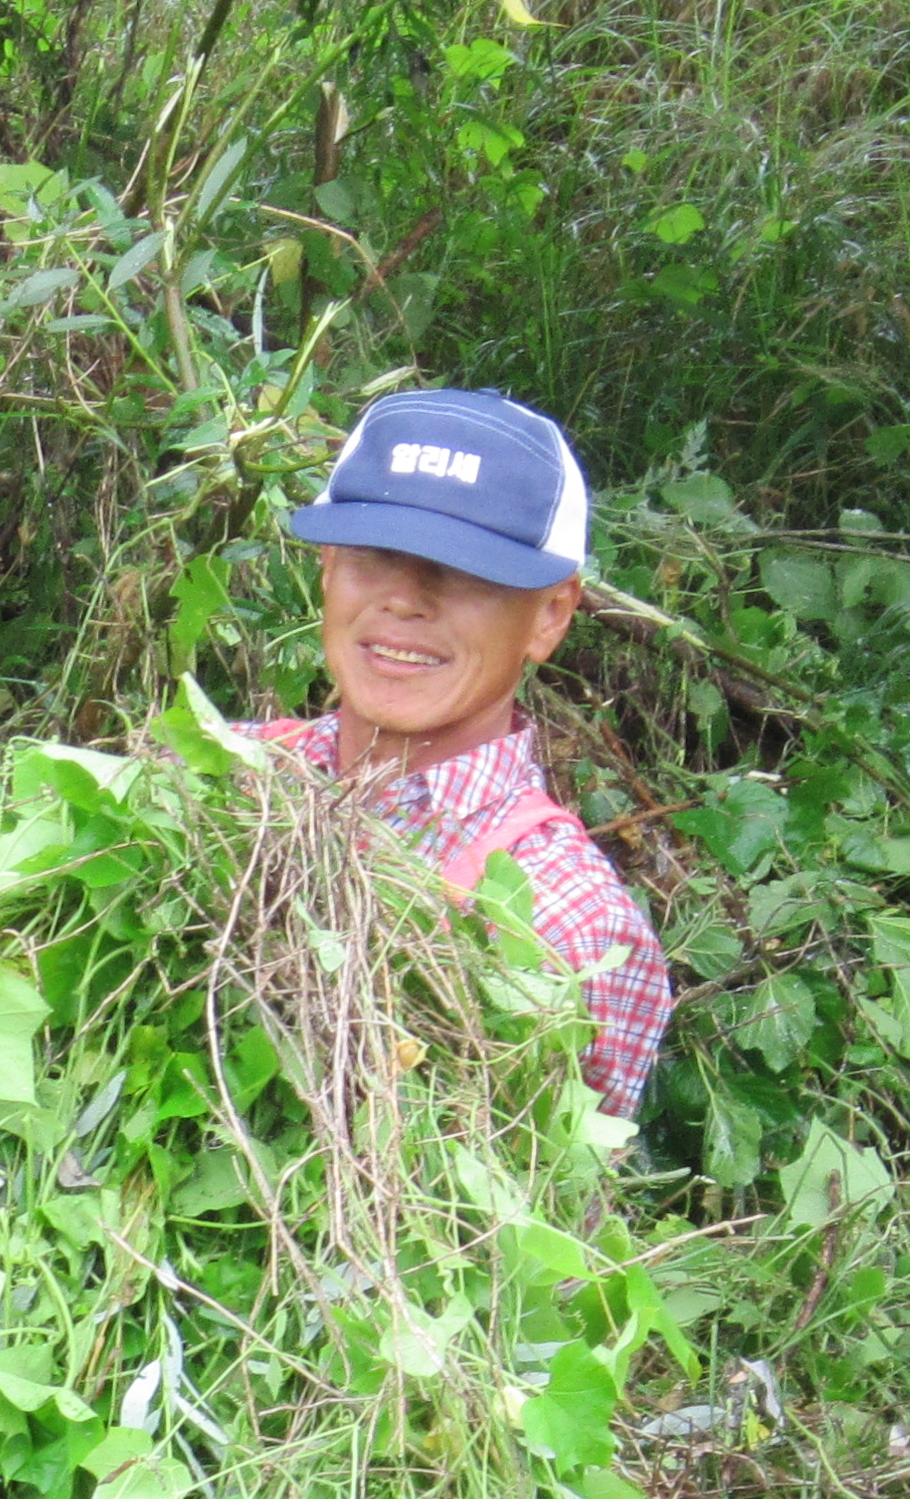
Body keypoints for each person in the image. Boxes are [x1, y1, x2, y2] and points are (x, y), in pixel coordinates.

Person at [256, 389, 677, 1119]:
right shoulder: (215, 771)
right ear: (326, 566)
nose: (408, 602)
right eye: (377, 556)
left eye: (467, 573)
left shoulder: (572, 925)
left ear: (550, 615)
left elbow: (547, 1201)